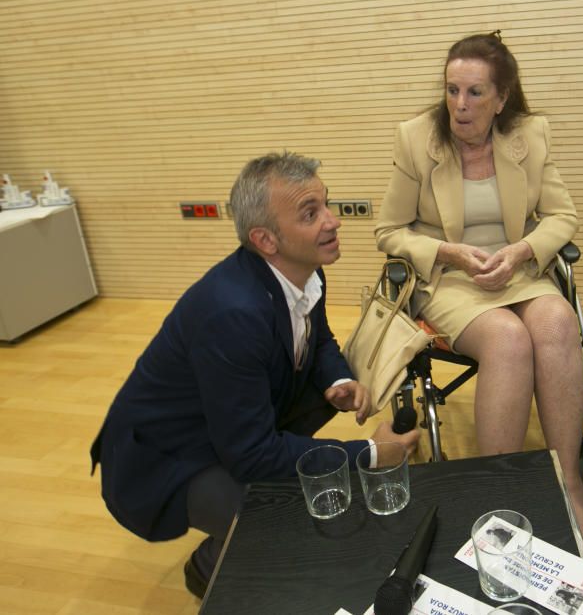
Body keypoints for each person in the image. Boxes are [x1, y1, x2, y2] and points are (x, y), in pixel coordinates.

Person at [90, 152, 421, 599]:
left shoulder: (303, 268)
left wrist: (336, 379)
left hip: (224, 424)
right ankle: (213, 564)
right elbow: (251, 456)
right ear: (265, 239)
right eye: (311, 213)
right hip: (165, 457)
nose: (333, 221)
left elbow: (318, 336)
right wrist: (370, 453)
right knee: (294, 517)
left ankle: (237, 534)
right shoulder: (232, 312)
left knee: (305, 492)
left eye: (327, 204)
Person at [375, 32, 583, 565]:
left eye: (476, 93)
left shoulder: (529, 135)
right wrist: (449, 253)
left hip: (517, 266)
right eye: (452, 90)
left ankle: (569, 487)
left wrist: (524, 248)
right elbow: (389, 231)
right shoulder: (416, 140)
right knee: (507, 340)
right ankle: (499, 498)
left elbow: (562, 216)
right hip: (450, 278)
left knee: (554, 323)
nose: (460, 105)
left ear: (502, 98)